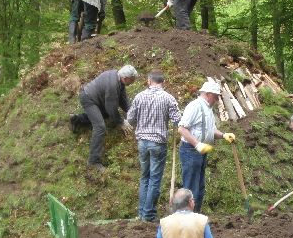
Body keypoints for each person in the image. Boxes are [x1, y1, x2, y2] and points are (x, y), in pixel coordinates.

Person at [126, 70, 182, 222]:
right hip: (158, 143)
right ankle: (149, 214)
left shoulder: (139, 96)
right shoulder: (168, 98)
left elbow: (130, 119)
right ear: (163, 82)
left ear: (149, 81)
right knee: (155, 179)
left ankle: (141, 213)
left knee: (145, 177)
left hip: (142, 142)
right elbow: (178, 119)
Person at [177, 80, 235, 212]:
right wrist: (197, 144)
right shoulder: (194, 106)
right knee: (191, 188)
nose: (217, 99)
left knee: (199, 187)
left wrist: (224, 135)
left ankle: (195, 215)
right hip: (190, 151)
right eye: (216, 96)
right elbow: (182, 129)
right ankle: (187, 217)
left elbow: (210, 130)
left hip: (201, 152)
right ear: (208, 94)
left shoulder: (208, 109)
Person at [70, 65, 137, 172]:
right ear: (125, 78)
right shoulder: (113, 85)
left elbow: (122, 99)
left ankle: (77, 119)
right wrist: (121, 122)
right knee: (100, 127)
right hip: (88, 99)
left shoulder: (118, 77)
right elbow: (111, 109)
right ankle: (93, 161)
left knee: (105, 115)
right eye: (132, 80)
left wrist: (132, 112)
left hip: (97, 99)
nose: (133, 82)